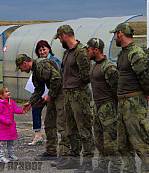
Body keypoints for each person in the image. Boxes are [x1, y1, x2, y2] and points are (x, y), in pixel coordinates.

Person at [109, 23, 149, 172]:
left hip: (134, 103)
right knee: (123, 143)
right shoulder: (123, 53)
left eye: (114, 34)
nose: (114, 37)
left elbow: (146, 78)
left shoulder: (136, 53)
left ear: (120, 33)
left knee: (139, 142)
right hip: (123, 103)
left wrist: (147, 92)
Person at [54, 24, 94, 173]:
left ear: (64, 35)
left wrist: (76, 87)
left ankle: (88, 161)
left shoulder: (80, 52)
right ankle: (74, 159)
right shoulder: (67, 52)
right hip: (68, 94)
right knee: (71, 129)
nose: (59, 41)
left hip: (79, 94)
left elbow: (86, 76)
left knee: (84, 129)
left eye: (59, 37)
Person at [15, 54, 70, 162]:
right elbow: (39, 89)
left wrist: (50, 94)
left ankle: (65, 154)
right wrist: (31, 102)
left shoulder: (41, 64)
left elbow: (56, 78)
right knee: (49, 123)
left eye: (20, 67)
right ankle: (51, 152)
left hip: (61, 93)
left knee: (62, 124)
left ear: (25, 63)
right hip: (54, 94)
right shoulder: (35, 71)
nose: (21, 70)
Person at [85, 38, 122, 173]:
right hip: (98, 106)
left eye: (88, 50)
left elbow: (117, 89)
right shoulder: (94, 66)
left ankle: (115, 167)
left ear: (96, 50)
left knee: (110, 142)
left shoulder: (109, 67)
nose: (87, 53)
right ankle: (102, 166)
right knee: (99, 140)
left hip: (109, 107)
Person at [27, 40, 61, 146]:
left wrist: (50, 93)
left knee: (53, 117)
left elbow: (58, 77)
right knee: (36, 108)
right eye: (40, 50)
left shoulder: (55, 61)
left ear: (49, 49)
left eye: (44, 49)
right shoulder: (37, 62)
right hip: (42, 91)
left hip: (53, 93)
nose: (42, 52)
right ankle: (37, 134)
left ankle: (57, 139)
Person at [0, 86, 26, 163]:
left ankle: (11, 154)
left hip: (11, 126)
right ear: (1, 96)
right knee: (2, 142)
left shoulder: (11, 102)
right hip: (3, 127)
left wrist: (22, 110)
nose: (8, 92)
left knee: (11, 141)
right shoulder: (0, 104)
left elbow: (16, 109)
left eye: (8, 91)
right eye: (6, 92)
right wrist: (6, 121)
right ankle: (1, 157)